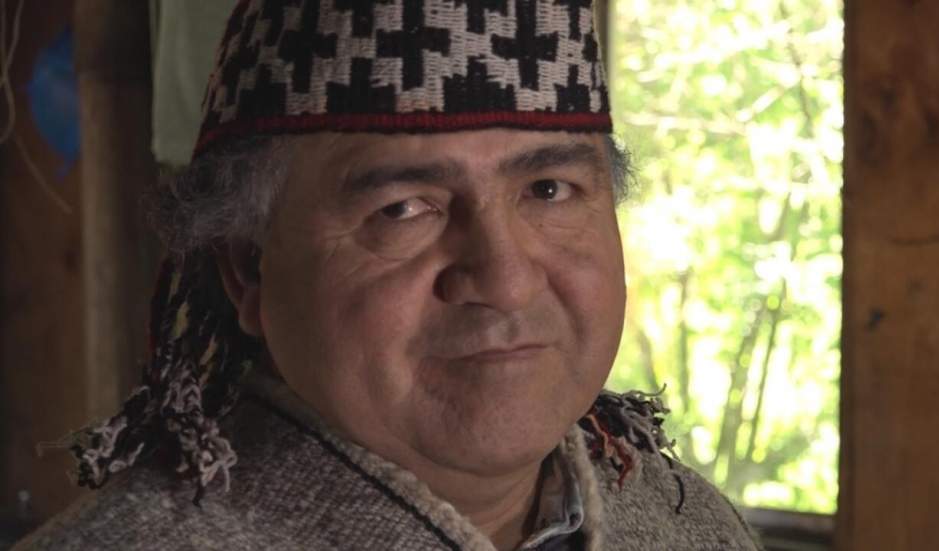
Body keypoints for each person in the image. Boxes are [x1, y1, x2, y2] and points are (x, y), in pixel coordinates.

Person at [17, 1, 761, 549]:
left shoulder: (692, 525)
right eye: (403, 208)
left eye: (548, 190)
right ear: (248, 269)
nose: (505, 281)